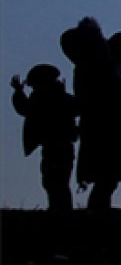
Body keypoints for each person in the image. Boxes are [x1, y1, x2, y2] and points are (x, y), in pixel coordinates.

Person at [61, 18, 121, 211]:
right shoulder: (101, 66)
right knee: (108, 174)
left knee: (105, 174)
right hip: (111, 123)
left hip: (98, 122)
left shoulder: (88, 66)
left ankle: (99, 207)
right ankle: (99, 209)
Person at [11, 64, 78, 212]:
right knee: (56, 181)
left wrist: (18, 92)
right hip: (60, 146)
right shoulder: (62, 98)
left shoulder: (44, 100)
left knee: (55, 181)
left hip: (55, 147)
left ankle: (60, 210)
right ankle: (61, 210)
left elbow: (24, 108)